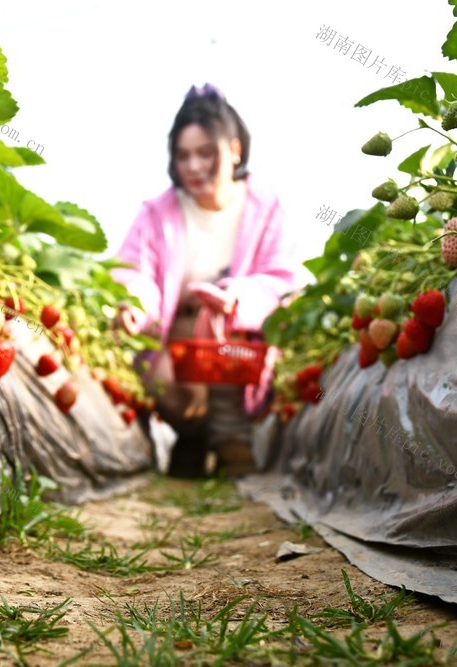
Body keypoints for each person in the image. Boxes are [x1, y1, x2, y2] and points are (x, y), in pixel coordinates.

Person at [112, 82, 300, 477]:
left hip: (235, 352)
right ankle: (193, 434)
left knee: (224, 344)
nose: (194, 167)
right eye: (183, 156)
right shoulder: (158, 213)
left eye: (205, 153)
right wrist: (132, 305)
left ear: (234, 150)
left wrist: (238, 299)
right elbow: (136, 273)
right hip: (174, 353)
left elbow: (281, 277)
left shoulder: (266, 208)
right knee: (169, 385)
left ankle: (230, 441)